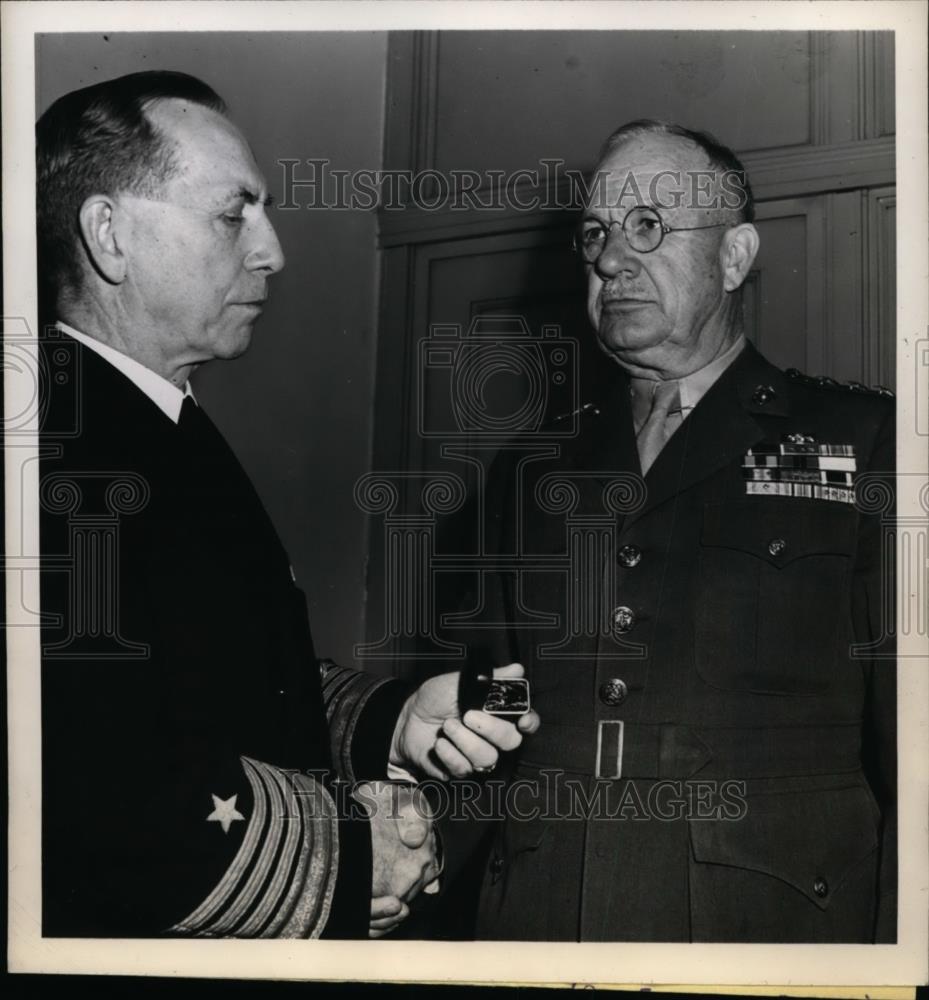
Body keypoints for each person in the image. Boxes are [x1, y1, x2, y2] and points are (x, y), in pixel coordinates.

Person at [36, 71, 537, 940]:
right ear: (109, 236)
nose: (272, 251)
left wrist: (387, 720)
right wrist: (347, 851)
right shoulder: (56, 457)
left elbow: (213, 675)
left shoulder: (152, 418)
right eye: (234, 214)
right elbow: (87, 772)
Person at [462, 120, 896, 942]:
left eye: (648, 227)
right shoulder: (529, 470)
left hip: (764, 928)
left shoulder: (864, 443)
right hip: (543, 918)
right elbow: (495, 704)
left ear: (733, 258)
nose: (610, 259)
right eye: (594, 232)